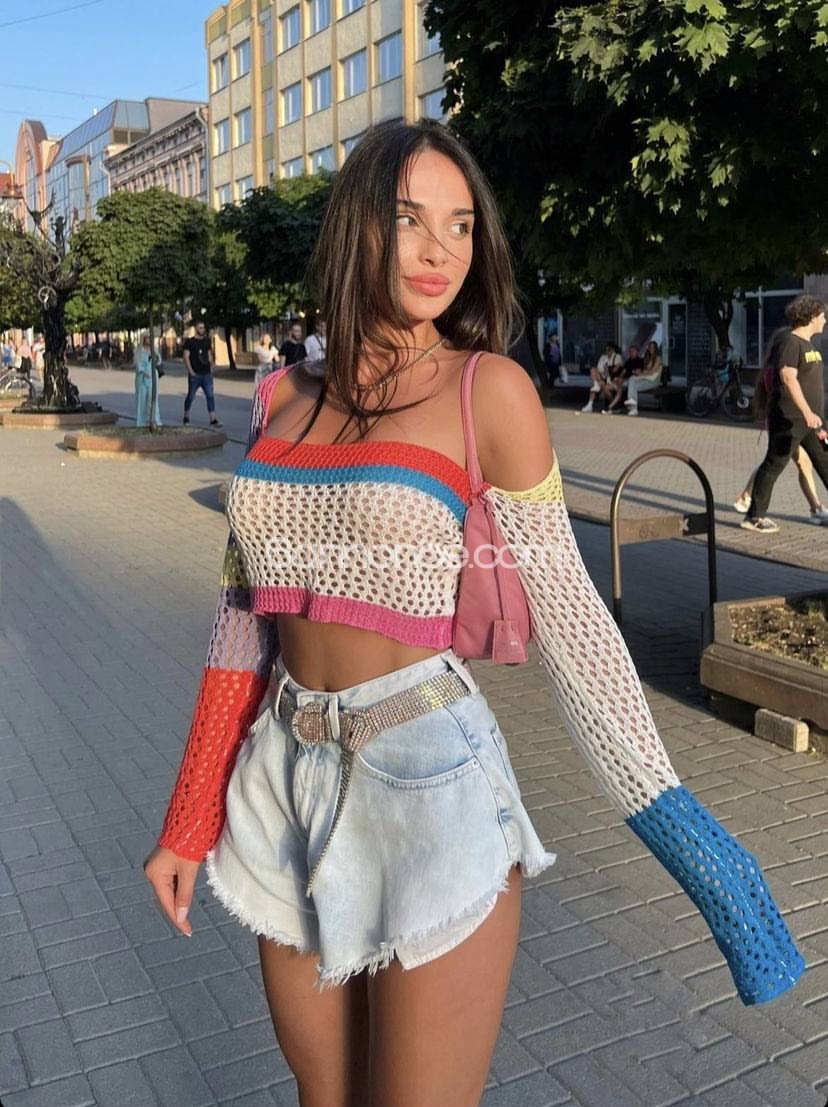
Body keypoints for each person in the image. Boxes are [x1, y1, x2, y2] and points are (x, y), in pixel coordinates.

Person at [144, 121, 803, 1107]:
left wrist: (701, 853)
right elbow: (240, 619)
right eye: (409, 218)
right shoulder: (280, 395)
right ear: (356, 226)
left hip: (428, 779)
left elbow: (574, 626)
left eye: (460, 225)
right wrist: (188, 820)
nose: (439, 249)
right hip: (281, 780)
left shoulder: (487, 391)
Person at [742, 295, 828, 532]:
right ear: (811, 316)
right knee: (774, 464)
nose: (824, 320)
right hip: (790, 418)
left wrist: (816, 417)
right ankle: (754, 517)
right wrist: (806, 411)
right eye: (822, 316)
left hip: (813, 421)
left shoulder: (809, 345)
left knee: (825, 463)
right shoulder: (790, 342)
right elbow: (788, 377)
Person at [182, 321, 222, 428]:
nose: (202, 330)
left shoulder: (207, 341)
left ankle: (213, 419)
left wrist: (211, 366)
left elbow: (209, 354)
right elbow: (186, 357)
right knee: (191, 396)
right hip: (195, 374)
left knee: (210, 395)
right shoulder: (190, 342)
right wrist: (191, 371)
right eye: (200, 328)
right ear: (196, 329)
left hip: (206, 374)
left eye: (203, 328)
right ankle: (186, 416)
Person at [623, 339, 663, 416]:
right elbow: (644, 370)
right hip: (645, 379)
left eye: (652, 347)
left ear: (655, 348)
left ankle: (633, 407)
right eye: (649, 347)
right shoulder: (647, 358)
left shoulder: (658, 358)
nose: (651, 349)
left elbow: (652, 372)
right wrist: (639, 371)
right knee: (632, 380)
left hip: (653, 381)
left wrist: (641, 373)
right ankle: (633, 406)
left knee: (632, 385)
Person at [582, 342, 622, 412]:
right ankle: (590, 404)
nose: (607, 352)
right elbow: (599, 369)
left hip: (611, 379)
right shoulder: (603, 357)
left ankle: (613, 406)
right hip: (602, 377)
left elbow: (615, 369)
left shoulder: (617, 356)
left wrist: (606, 370)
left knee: (605, 387)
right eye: (606, 350)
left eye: (609, 350)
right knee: (593, 371)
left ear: (613, 350)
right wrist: (599, 377)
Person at [602, 343, 642, 413]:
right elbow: (623, 372)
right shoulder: (628, 361)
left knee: (619, 390)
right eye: (630, 351)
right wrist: (619, 378)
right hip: (622, 381)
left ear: (637, 352)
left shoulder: (640, 361)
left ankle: (610, 407)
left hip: (631, 382)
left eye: (632, 351)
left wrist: (624, 379)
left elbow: (638, 373)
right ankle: (615, 406)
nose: (631, 353)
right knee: (605, 388)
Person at [134, 335, 162, 428]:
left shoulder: (154, 349)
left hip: (153, 377)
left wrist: (156, 358)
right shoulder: (139, 351)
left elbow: (159, 361)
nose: (149, 340)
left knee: (153, 399)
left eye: (150, 338)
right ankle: (140, 422)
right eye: (147, 338)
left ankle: (156, 420)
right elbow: (137, 364)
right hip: (142, 377)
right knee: (141, 400)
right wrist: (143, 371)